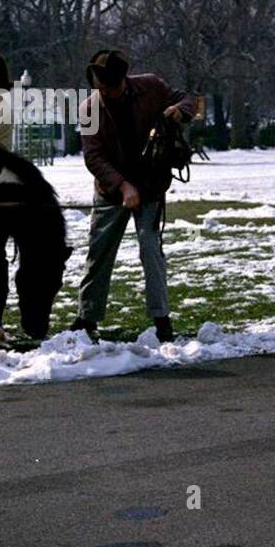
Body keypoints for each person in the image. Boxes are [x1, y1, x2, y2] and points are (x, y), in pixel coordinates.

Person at [70, 49, 195, 343]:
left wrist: (180, 111)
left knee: (151, 250)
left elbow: (188, 98)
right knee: (98, 253)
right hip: (111, 190)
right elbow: (93, 157)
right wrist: (122, 186)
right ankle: (86, 317)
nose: (106, 94)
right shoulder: (88, 109)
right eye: (100, 88)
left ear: (124, 80)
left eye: (110, 88)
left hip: (151, 184)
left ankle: (161, 318)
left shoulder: (152, 86)